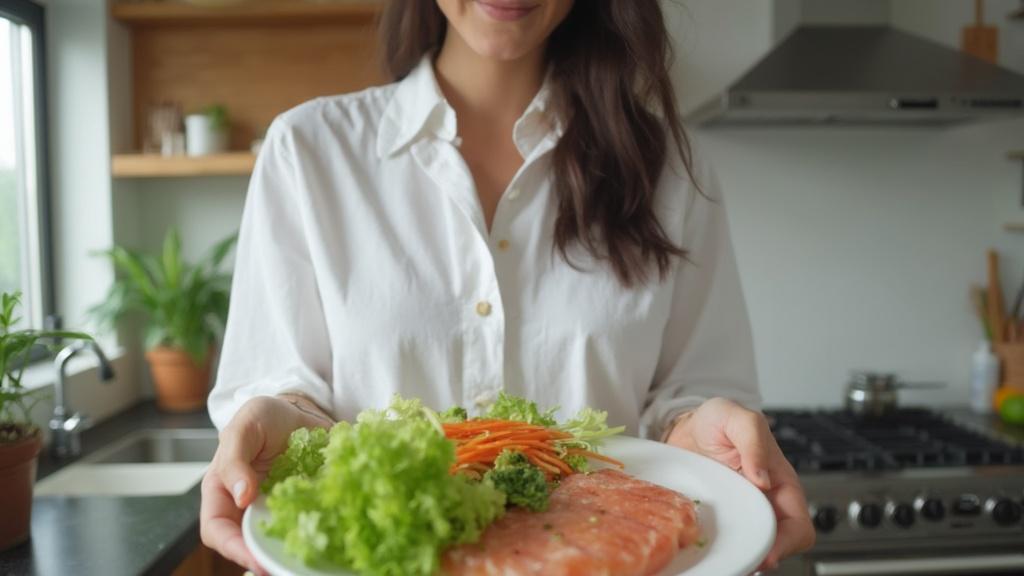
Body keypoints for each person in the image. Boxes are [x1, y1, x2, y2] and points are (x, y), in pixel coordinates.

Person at [200, 0, 815, 573]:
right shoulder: (311, 152)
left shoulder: (669, 168)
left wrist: (706, 428)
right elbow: (290, 391)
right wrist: (273, 418)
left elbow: (689, 397)